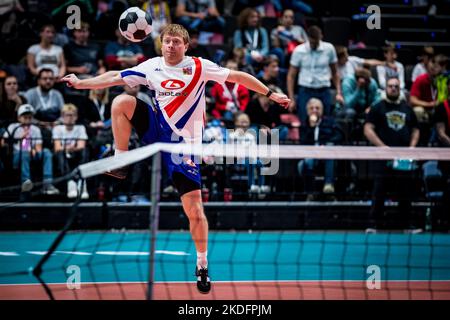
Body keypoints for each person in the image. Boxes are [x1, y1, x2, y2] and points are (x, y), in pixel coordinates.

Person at [61, 23, 290, 294]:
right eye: (167, 41)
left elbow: (238, 76)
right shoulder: (152, 66)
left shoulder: (199, 66)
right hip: (158, 129)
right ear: (161, 44)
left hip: (183, 147)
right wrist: (80, 82)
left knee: (195, 212)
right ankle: (120, 161)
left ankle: (202, 263)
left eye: (176, 42)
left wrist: (270, 93)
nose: (171, 46)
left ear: (186, 45)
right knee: (121, 102)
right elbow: (114, 76)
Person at [364, 77, 420, 232]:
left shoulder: (407, 108)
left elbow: (415, 129)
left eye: (396, 86)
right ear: (386, 88)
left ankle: (407, 225)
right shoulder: (377, 108)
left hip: (403, 157)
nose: (393, 88)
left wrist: (411, 148)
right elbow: (368, 129)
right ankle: (373, 224)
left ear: (400, 88)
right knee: (379, 190)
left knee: (405, 191)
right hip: (383, 157)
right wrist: (383, 148)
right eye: (390, 86)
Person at [287, 25, 344, 124]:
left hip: (324, 89)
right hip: (305, 90)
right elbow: (291, 76)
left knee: (325, 121)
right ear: (308, 38)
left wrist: (339, 92)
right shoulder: (299, 50)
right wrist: (291, 98)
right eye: (312, 42)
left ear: (321, 37)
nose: (314, 44)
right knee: (305, 121)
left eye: (316, 41)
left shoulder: (329, 49)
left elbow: (335, 72)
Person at [1, 104, 59, 196]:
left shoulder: (35, 129)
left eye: (29, 117)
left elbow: (38, 147)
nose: (27, 120)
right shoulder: (13, 127)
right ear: (19, 118)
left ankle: (47, 184)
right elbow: (3, 143)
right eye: (25, 117)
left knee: (47, 152)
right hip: (16, 156)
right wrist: (20, 138)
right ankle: (26, 184)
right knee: (24, 153)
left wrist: (34, 150)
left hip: (32, 154)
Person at [298, 98, 343, 200]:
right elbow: (303, 142)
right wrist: (311, 127)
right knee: (303, 164)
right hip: (311, 156)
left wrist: (326, 144)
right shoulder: (304, 125)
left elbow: (339, 135)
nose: (315, 110)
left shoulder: (330, 122)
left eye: (317, 108)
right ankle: (310, 193)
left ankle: (329, 186)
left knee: (329, 149)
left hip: (327, 156)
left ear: (322, 110)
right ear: (307, 111)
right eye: (312, 108)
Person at [52, 104, 89, 199]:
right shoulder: (57, 129)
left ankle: (82, 182)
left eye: (71, 115)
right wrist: (67, 148)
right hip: (63, 154)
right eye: (67, 115)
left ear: (76, 117)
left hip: (76, 153)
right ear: (62, 117)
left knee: (85, 151)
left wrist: (72, 148)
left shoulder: (81, 128)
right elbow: (57, 147)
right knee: (60, 153)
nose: (69, 118)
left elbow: (81, 146)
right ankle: (71, 183)